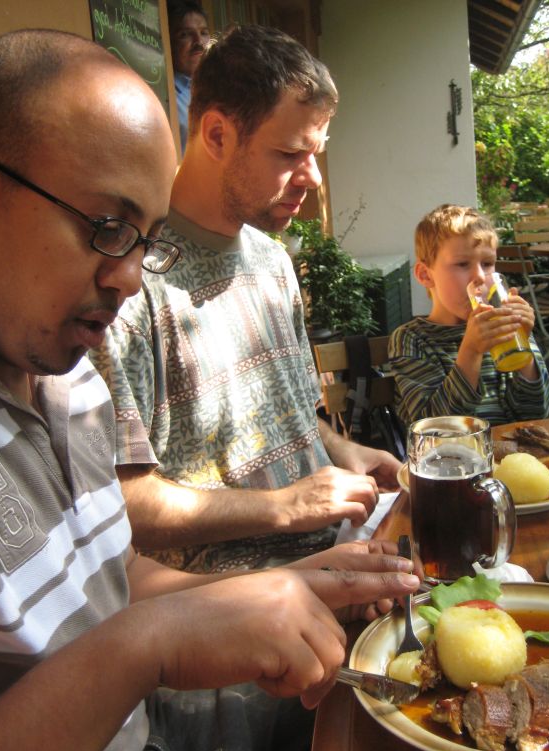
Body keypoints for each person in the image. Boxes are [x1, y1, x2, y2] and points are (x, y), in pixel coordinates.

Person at [0, 28, 421, 751]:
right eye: (107, 225)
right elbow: (136, 557)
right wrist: (162, 635)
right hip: (164, 704)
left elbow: (112, 572)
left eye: (147, 240)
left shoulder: (62, 385)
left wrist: (303, 561)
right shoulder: (90, 329)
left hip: (190, 680)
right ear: (218, 134)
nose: (129, 276)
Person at [90, 25, 402, 574]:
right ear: (217, 135)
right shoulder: (130, 284)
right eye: (290, 153)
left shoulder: (273, 261)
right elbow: (123, 504)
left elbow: (293, 414)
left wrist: (341, 450)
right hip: (241, 602)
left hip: (340, 555)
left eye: (317, 152)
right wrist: (285, 507)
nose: (312, 178)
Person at [387, 204, 549, 428]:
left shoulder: (504, 326)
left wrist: (524, 353)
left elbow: (540, 413)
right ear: (426, 275)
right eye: (462, 264)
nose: (480, 276)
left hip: (512, 449)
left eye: (487, 264)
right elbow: (433, 429)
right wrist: (471, 351)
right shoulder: (412, 339)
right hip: (456, 451)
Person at [167, 0, 211, 154]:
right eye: (185, 35)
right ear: (168, 42)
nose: (199, 42)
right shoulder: (166, 95)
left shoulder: (222, 86)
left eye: (203, 33)